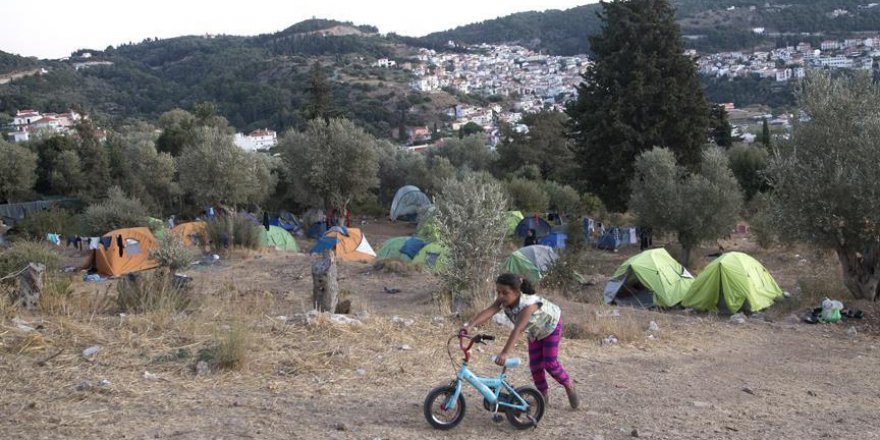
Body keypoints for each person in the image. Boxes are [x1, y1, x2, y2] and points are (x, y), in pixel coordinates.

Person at [461, 273, 579, 409]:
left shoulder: (528, 304)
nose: (500, 296)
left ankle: (569, 384)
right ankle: (542, 397)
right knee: (535, 366)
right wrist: (470, 325)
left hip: (550, 326)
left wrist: (505, 353)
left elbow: (517, 330)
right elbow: (490, 310)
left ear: (517, 292)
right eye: (498, 292)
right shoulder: (503, 299)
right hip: (534, 331)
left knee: (550, 364)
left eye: (505, 293)